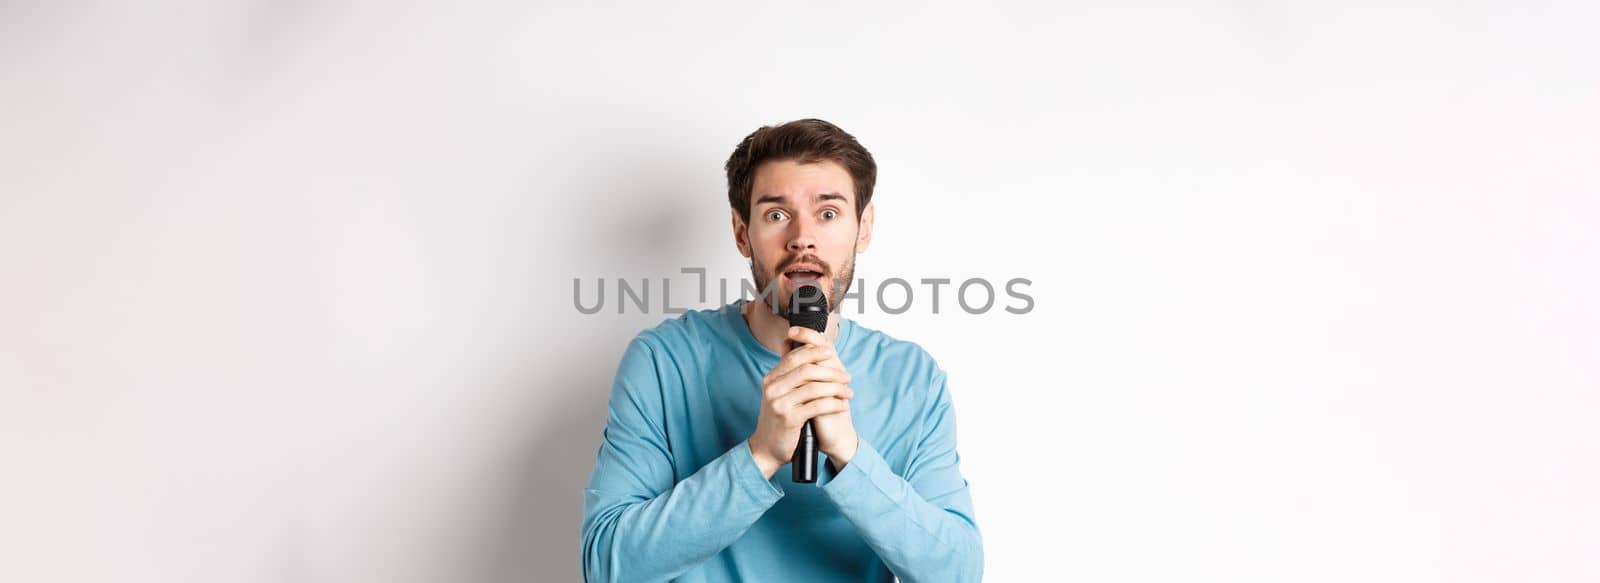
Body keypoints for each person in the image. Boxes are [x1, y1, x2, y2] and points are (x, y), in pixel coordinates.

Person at [580, 119, 983, 582]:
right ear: (741, 232)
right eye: (776, 214)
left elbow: (958, 573)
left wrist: (851, 456)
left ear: (864, 227)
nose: (802, 238)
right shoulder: (662, 362)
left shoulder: (912, 378)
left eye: (828, 213)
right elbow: (608, 568)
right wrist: (760, 454)